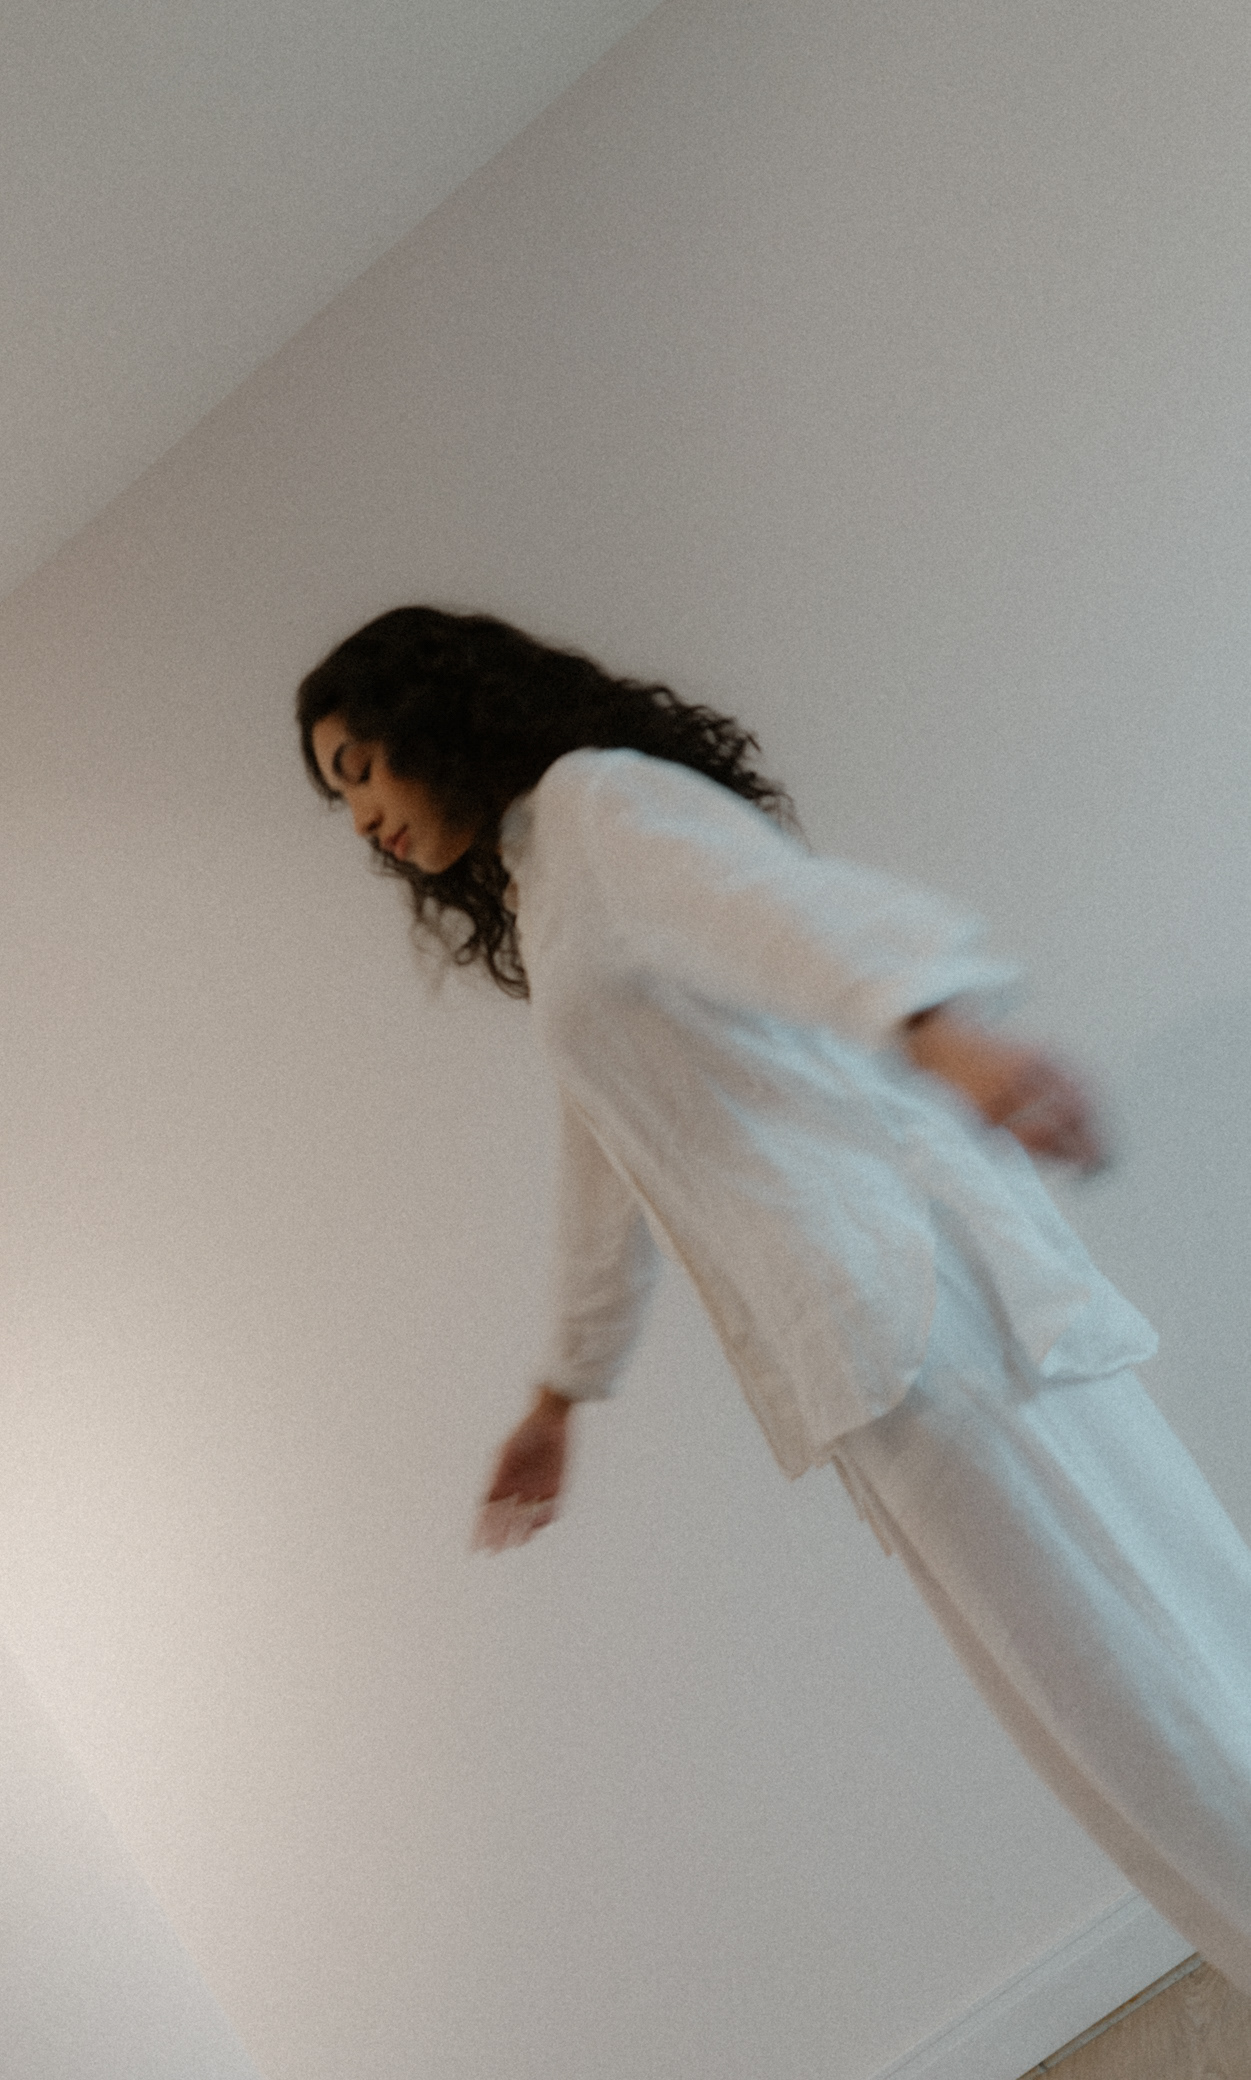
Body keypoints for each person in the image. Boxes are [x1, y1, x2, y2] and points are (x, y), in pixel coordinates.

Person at [296, 603, 1251, 1993]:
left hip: (919, 1313)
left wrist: (948, 1037)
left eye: (361, 768)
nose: (364, 820)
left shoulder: (595, 806)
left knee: (1153, 1691)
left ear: (431, 718)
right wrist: (560, 1394)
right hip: (875, 1349)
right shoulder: (549, 885)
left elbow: (782, 916)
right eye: (340, 797)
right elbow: (610, 1157)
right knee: (1125, 1712)